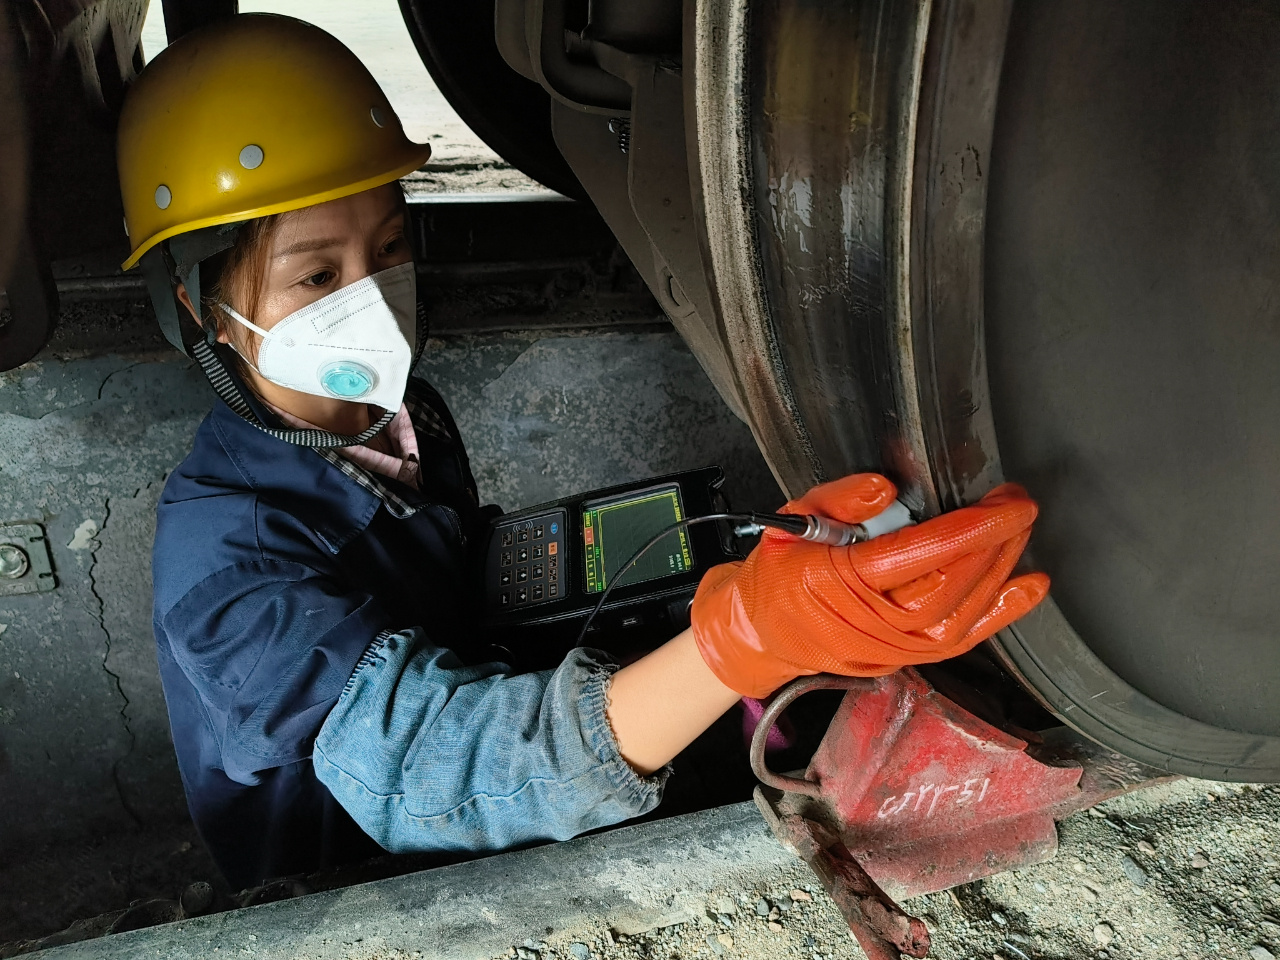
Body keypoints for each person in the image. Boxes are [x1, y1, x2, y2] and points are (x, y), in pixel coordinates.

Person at [117, 13, 1049, 890]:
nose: (371, 297)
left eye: (390, 247)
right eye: (319, 274)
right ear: (198, 307)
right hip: (364, 879)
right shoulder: (228, 568)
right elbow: (432, 772)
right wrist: (742, 642)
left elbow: (467, 575)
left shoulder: (399, 413)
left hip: (476, 696)